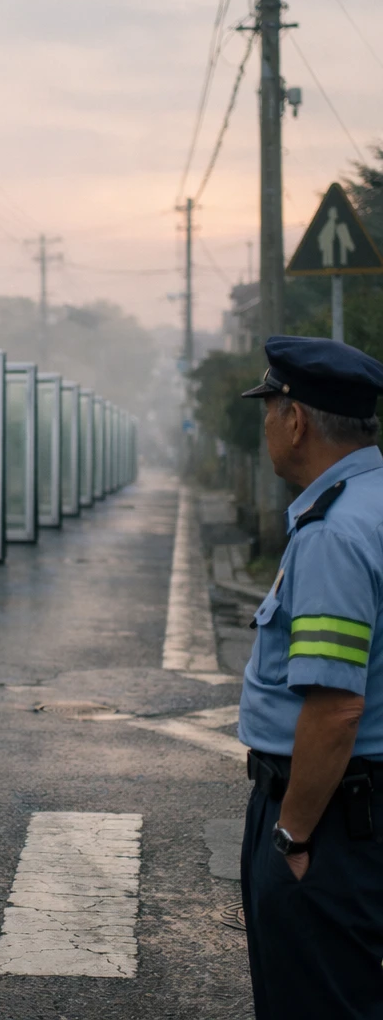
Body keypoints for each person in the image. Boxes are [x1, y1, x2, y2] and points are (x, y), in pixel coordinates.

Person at [238, 334, 383, 1019]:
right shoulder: (374, 505)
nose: (266, 426)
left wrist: (291, 837)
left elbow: (334, 708)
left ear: (294, 419)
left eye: (268, 409)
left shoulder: (333, 534)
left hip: (330, 825)